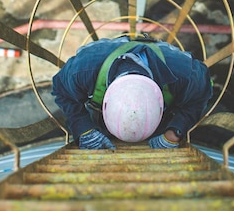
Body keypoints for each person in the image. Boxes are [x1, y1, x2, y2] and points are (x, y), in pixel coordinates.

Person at [51, 35, 213, 149]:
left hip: (166, 70)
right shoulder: (82, 71)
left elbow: (200, 95)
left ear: (160, 100)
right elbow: (61, 90)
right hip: (103, 60)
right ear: (105, 101)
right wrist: (84, 129)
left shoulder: (186, 75)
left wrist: (173, 132)